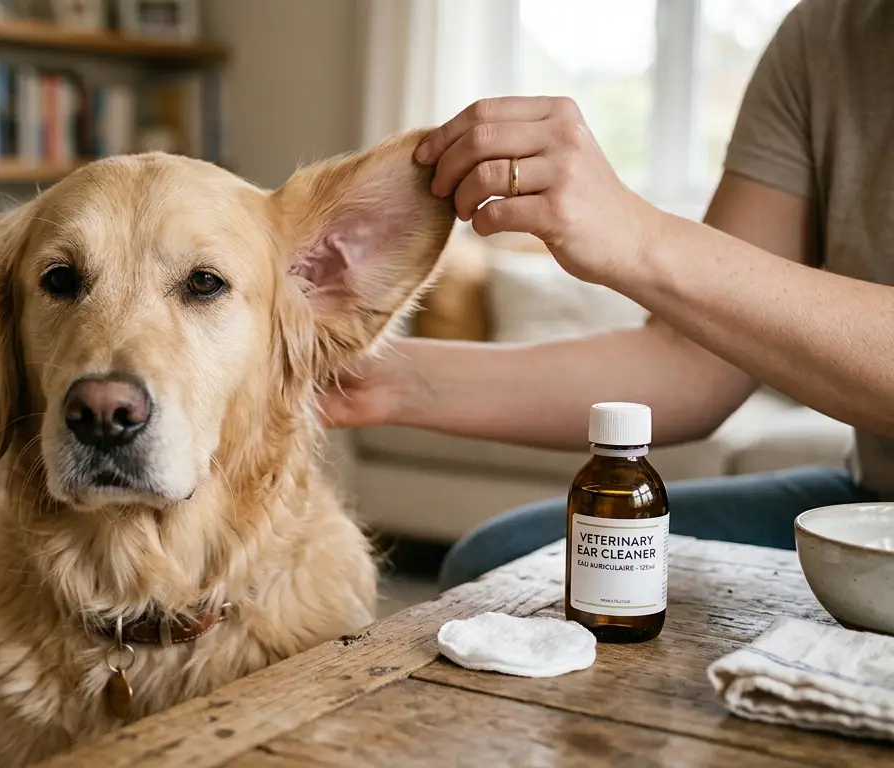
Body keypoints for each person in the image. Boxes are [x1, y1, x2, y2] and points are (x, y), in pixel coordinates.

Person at [321, 0, 894, 592]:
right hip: (871, 507)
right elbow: (691, 362)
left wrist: (638, 236)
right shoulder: (824, 33)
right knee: (504, 564)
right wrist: (364, 376)